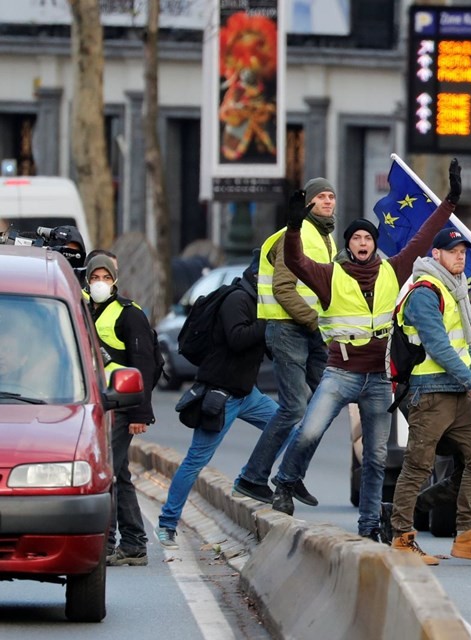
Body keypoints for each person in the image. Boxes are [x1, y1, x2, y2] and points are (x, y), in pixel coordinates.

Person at [270, 160, 462, 541]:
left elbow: (424, 237)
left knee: (375, 459)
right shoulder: (330, 274)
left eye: (368, 238)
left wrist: (451, 201)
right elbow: (293, 260)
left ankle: (369, 525)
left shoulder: (394, 269)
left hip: (379, 380)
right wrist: (293, 226)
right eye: (355, 238)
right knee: (308, 432)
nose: (362, 243)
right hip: (340, 374)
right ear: (348, 245)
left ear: (375, 244)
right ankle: (285, 484)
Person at [388, 229, 471, 565]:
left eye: (463, 252)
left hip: (457, 393)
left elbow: (465, 347)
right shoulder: (424, 291)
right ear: (436, 254)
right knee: (418, 465)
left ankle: (467, 537)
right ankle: (401, 538)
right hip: (429, 392)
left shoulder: (455, 290)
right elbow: (438, 347)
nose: (460, 257)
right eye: (453, 251)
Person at [155, 250, 278, 549]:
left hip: (247, 392)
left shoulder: (260, 302)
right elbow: (238, 338)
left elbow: (265, 348)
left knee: (286, 426)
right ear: (257, 275)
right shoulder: (237, 299)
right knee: (196, 460)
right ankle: (167, 524)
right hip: (221, 394)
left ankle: (249, 478)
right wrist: (268, 321)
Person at [232, 177, 338, 505]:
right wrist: (314, 321)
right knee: (294, 407)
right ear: (306, 202)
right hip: (287, 328)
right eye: (321, 196)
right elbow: (282, 288)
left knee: (322, 407)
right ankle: (253, 477)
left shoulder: (326, 238)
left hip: (312, 331)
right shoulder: (295, 236)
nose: (328, 201)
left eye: (332, 196)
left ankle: (291, 474)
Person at [86, 252, 157, 566]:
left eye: (105, 277)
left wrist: (140, 414)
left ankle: (105, 543)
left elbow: (145, 365)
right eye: (94, 277)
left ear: (115, 281)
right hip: (99, 405)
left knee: (106, 475)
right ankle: (134, 544)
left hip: (124, 405)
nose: (100, 283)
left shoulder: (129, 314)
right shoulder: (84, 309)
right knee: (121, 475)